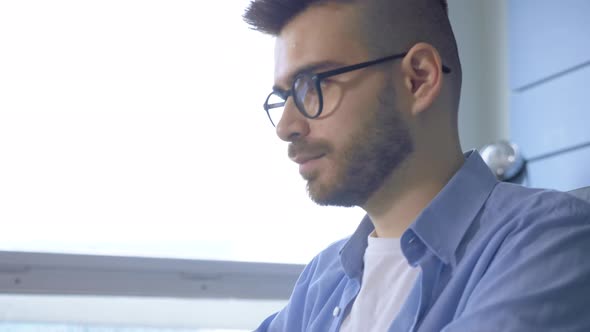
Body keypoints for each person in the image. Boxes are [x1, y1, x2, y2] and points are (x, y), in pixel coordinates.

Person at [242, 0, 590, 331]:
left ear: (418, 79)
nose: (286, 127)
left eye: (312, 86)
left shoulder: (550, 239)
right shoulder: (322, 278)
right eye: (285, 97)